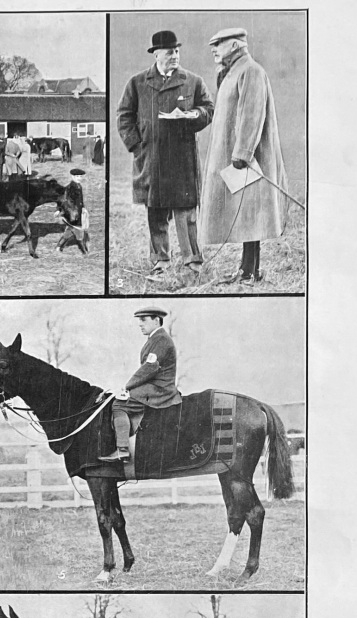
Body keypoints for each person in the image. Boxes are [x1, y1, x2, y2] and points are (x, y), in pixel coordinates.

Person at [117, 29, 214, 275]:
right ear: (156, 54)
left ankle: (192, 261)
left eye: (177, 51)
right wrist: (137, 147)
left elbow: (208, 110)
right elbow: (124, 116)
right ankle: (160, 260)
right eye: (170, 52)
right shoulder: (137, 83)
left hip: (182, 158)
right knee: (156, 211)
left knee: (186, 211)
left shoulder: (193, 81)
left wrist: (193, 114)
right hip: (152, 158)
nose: (175, 55)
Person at [198, 28, 289, 285]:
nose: (214, 49)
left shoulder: (251, 70)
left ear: (236, 45)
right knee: (247, 214)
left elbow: (252, 114)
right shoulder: (231, 72)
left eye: (219, 44)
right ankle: (246, 269)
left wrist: (243, 153)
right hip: (236, 156)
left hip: (249, 158)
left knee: (252, 214)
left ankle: (251, 271)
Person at [99, 307, 182, 463]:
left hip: (160, 390)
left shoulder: (161, 340)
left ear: (156, 320)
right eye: (139, 320)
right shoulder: (154, 339)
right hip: (153, 387)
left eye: (144, 320)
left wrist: (128, 386)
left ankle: (122, 449)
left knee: (119, 404)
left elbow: (149, 368)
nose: (140, 324)